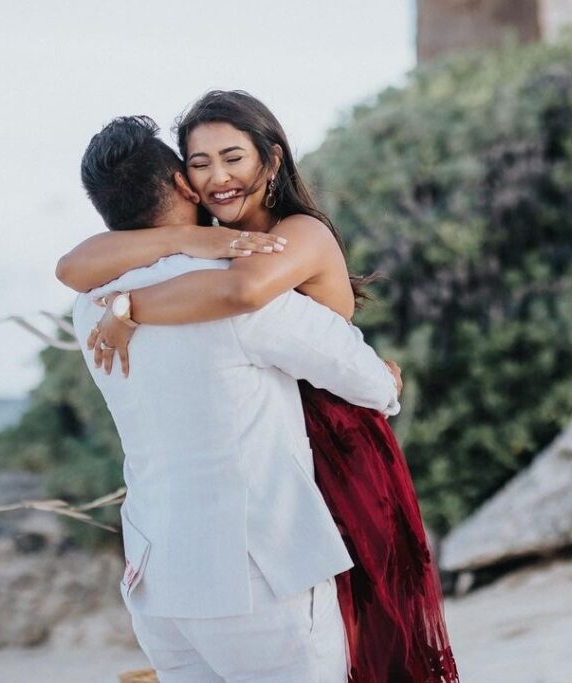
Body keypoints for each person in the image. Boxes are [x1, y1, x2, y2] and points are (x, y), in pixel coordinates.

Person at [60, 91, 459, 681]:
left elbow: (75, 266)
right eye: (200, 164)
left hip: (157, 578)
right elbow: (370, 384)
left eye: (231, 158)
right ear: (182, 180)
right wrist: (385, 379)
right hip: (256, 577)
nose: (215, 177)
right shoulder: (233, 285)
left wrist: (126, 304)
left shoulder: (89, 307)